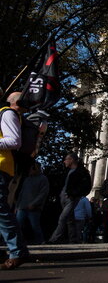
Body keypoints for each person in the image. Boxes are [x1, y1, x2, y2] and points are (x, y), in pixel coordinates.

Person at [0, 92, 29, 269]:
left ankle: (18, 251)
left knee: (1, 211)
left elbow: (14, 141)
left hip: (1, 167)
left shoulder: (7, 113)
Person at [48, 152, 92, 244]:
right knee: (69, 219)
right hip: (63, 196)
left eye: (66, 159)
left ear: (71, 160)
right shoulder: (66, 171)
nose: (64, 162)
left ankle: (54, 239)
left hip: (71, 198)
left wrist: (75, 194)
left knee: (63, 218)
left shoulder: (81, 172)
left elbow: (86, 186)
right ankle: (73, 239)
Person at [15, 161, 49, 245]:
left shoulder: (43, 179)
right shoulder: (27, 179)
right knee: (17, 225)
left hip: (34, 207)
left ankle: (40, 241)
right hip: (22, 206)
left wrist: (35, 203)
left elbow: (43, 193)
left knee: (35, 226)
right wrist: (17, 206)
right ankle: (16, 241)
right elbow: (21, 193)